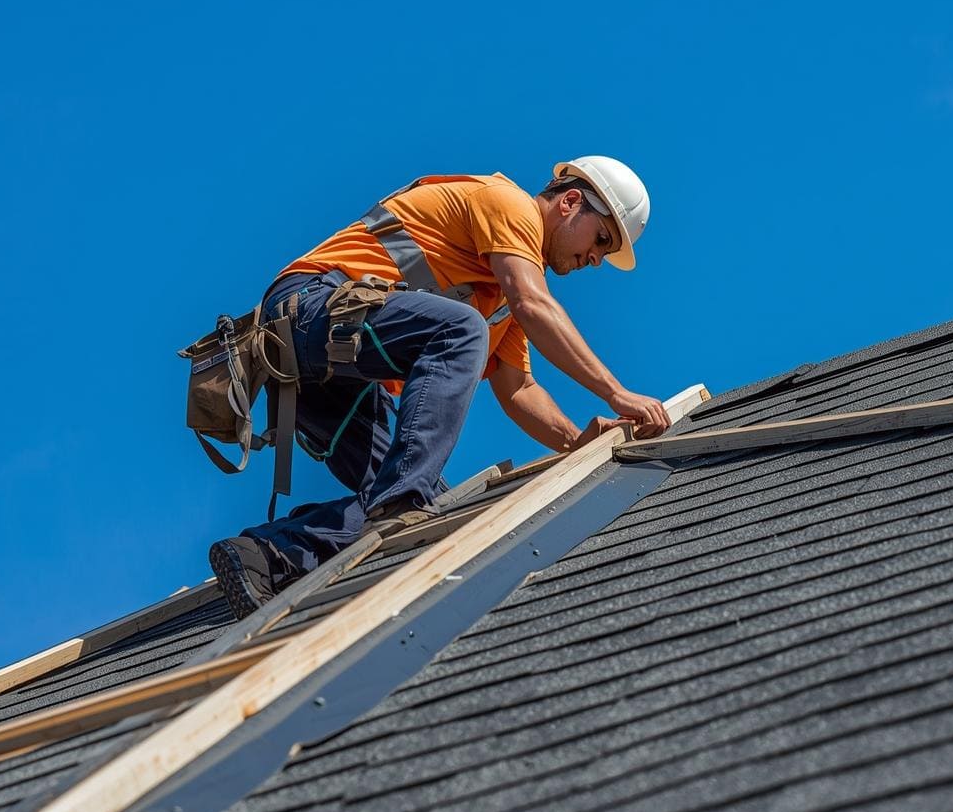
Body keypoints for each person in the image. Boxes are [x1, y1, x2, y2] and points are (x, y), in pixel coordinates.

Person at [208, 156, 671, 619]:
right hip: (309, 310)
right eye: (602, 240)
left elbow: (517, 389)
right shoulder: (507, 205)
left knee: (422, 511)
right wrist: (617, 393)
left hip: (337, 371)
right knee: (457, 346)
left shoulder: (502, 294)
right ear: (571, 201)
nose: (595, 259)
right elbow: (532, 302)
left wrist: (575, 443)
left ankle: (267, 556)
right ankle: (400, 499)